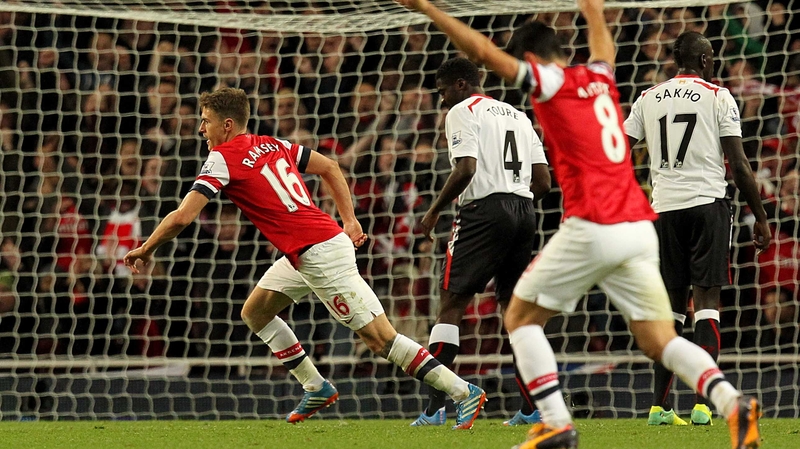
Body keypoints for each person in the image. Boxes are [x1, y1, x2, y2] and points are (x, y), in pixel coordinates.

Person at [395, 0, 765, 448]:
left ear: (530, 59)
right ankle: (733, 403)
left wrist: (427, 8)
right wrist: (592, 8)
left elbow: (483, 52)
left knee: (519, 318)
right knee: (658, 339)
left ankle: (555, 422)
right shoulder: (600, 76)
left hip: (594, 222)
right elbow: (603, 44)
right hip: (637, 225)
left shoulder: (551, 82)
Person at [123, 87, 486, 429]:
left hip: (320, 254)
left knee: (380, 339)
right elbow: (330, 166)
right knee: (256, 312)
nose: (201, 129)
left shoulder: (222, 157)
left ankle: (463, 392)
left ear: (227, 125)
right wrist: (349, 219)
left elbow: (183, 217)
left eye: (206, 121)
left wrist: (146, 248)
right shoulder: (271, 143)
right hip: (309, 248)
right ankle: (316, 387)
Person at [623, 31, 771, 427]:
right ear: (705, 61)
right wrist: (760, 215)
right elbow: (739, 164)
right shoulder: (717, 95)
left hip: (663, 211)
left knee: (670, 308)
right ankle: (704, 405)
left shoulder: (647, 97)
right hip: (707, 205)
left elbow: (618, 150)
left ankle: (658, 408)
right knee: (707, 303)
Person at [411, 57, 550, 427]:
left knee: (451, 303)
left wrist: (433, 211)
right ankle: (531, 408)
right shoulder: (519, 116)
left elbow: (467, 168)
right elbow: (544, 182)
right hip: (524, 211)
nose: (442, 99)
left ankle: (435, 409)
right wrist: (515, 201)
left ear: (460, 84)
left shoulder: (462, 111)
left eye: (443, 91)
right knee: (515, 311)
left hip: (483, 211)